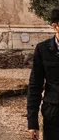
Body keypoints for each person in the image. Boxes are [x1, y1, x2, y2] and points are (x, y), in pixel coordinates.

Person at [27, 7, 59, 139]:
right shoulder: (42, 50)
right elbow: (35, 86)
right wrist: (32, 123)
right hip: (54, 116)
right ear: (55, 26)